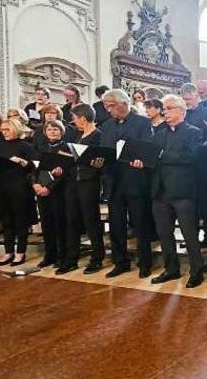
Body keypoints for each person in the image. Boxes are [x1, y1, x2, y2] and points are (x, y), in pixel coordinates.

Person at [148, 94, 205, 287]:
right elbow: (152, 159)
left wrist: (163, 155)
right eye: (164, 108)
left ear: (181, 111)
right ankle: (171, 269)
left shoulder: (194, 132)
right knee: (164, 234)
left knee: (190, 234)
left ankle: (197, 271)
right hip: (160, 191)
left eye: (169, 108)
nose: (165, 111)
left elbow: (191, 157)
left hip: (183, 192)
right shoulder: (159, 134)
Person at [99, 89, 155, 278]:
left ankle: (145, 262)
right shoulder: (106, 126)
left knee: (140, 223)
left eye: (111, 106)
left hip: (135, 179)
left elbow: (147, 148)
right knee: (116, 224)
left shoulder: (142, 123)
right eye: (106, 107)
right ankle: (120, 262)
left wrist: (141, 159)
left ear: (123, 103)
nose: (108, 110)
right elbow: (104, 150)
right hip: (113, 181)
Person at [58, 104, 106, 274]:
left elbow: (99, 161)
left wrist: (81, 158)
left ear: (83, 119)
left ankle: (97, 257)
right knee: (71, 220)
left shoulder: (98, 136)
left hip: (89, 181)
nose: (74, 122)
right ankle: (71, 259)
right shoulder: (78, 136)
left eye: (75, 118)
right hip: (73, 181)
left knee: (91, 220)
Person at [0, 118, 37, 266]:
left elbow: (34, 166)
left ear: (16, 129)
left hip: (20, 186)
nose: (4, 132)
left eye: (7, 129)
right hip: (1, 185)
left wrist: (22, 162)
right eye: (2, 130)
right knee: (6, 220)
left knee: (20, 220)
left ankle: (20, 252)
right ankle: (8, 252)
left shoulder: (26, 146)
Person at [180, 82, 207, 247]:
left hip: (205, 166)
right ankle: (192, 237)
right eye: (184, 100)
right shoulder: (181, 115)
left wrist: (204, 145)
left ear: (197, 96)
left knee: (205, 204)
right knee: (189, 205)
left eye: (189, 99)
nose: (187, 102)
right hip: (186, 168)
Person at [33, 119, 69, 269]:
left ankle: (62, 257)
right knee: (46, 224)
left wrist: (49, 187)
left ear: (61, 132)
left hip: (58, 191)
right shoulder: (40, 148)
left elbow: (65, 171)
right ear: (45, 132)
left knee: (60, 224)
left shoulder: (66, 147)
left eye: (56, 130)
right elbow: (34, 168)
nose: (52, 132)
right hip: (40, 190)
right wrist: (35, 184)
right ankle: (49, 255)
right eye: (49, 130)